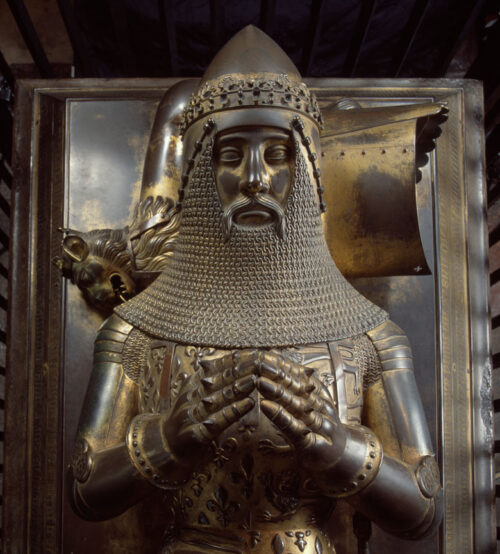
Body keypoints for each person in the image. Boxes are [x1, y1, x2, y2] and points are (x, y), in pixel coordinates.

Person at [70, 26, 442, 554]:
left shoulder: (370, 336)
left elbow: (424, 507)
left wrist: (338, 447)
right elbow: (85, 488)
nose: (255, 180)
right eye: (229, 156)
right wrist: (166, 440)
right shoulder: (135, 330)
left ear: (308, 172)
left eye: (277, 155)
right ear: (200, 175)